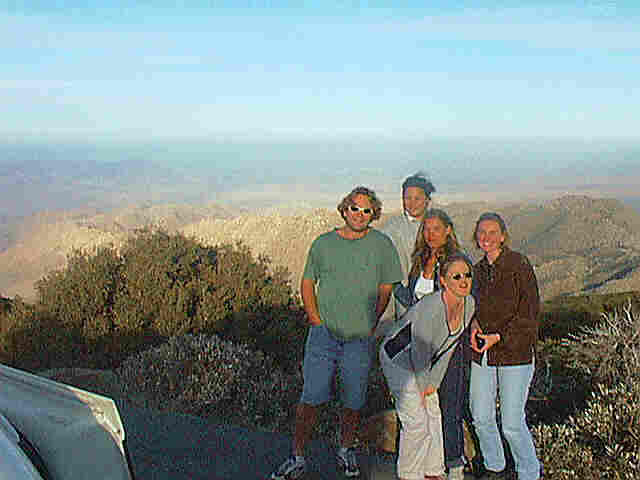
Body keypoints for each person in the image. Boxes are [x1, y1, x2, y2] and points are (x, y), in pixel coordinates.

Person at [270, 186, 403, 480]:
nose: (360, 214)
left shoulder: (382, 245)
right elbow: (307, 282)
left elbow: (386, 287)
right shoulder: (323, 244)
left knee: (353, 401)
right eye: (355, 208)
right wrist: (315, 320)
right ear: (344, 209)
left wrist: (372, 320)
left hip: (359, 338)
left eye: (366, 210)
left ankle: (345, 450)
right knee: (311, 398)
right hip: (324, 336)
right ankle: (298, 456)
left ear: (374, 214)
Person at [380, 254, 475, 480]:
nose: (464, 281)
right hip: (398, 358)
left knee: (434, 412)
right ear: (443, 280)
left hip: (424, 363)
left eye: (467, 275)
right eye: (457, 276)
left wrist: (432, 384)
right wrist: (423, 388)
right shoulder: (431, 307)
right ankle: (409, 474)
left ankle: (433, 471)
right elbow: (419, 351)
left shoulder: (469, 304)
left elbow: (448, 348)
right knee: (416, 421)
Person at [392, 209, 469, 480]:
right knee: (425, 405)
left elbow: (463, 299)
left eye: (437, 228)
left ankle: (455, 464)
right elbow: (415, 300)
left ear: (448, 230)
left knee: (449, 404)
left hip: (446, 343)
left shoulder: (457, 262)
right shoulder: (420, 260)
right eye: (427, 229)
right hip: (418, 344)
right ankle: (428, 466)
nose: (431, 234)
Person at [469, 212, 542, 480]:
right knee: (481, 416)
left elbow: (530, 312)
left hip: (515, 354)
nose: (486, 237)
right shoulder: (477, 271)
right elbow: (471, 309)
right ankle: (495, 466)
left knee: (511, 424)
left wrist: (498, 337)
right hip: (483, 354)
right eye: (481, 232)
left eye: (491, 232)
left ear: (502, 236)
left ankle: (529, 472)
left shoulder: (518, 265)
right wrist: (474, 326)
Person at [379, 172, 436, 325]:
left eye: (417, 198)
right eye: (407, 198)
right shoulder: (393, 227)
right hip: (404, 300)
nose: (412, 203)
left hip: (437, 296)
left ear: (427, 200)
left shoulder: (438, 224)